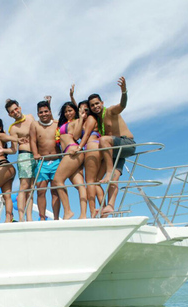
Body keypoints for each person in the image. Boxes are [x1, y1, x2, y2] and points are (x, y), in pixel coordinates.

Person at [88, 76, 135, 216]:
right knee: (107, 179)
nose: (96, 106)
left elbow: (122, 105)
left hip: (127, 144)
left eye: (97, 103)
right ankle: (109, 206)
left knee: (103, 141)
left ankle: (109, 171)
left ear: (102, 102)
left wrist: (124, 91)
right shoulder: (98, 121)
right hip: (115, 151)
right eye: (92, 105)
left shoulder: (110, 111)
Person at [70, 85, 105, 218]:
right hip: (90, 148)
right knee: (94, 181)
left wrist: (79, 147)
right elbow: (77, 135)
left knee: (89, 181)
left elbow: (85, 136)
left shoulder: (91, 119)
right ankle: (102, 210)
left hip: (92, 146)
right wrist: (72, 98)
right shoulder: (82, 121)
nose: (84, 111)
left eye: (86, 109)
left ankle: (93, 212)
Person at [53, 101, 87, 219]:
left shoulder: (77, 121)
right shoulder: (63, 123)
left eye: (70, 110)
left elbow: (76, 136)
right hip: (69, 152)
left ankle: (68, 211)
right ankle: (83, 214)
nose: (68, 113)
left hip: (72, 150)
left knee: (57, 180)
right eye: (66, 111)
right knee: (80, 185)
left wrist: (81, 118)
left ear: (75, 111)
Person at [29, 101, 61, 220]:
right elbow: (32, 140)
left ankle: (56, 218)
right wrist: (35, 153)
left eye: (46, 111)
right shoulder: (35, 125)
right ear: (38, 114)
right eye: (41, 112)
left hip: (56, 161)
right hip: (42, 162)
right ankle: (42, 217)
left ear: (50, 112)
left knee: (55, 192)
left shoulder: (57, 123)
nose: (44, 114)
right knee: (41, 191)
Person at [5, 99, 36, 222]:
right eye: (12, 112)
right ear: (9, 115)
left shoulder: (31, 117)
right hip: (24, 155)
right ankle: (21, 218)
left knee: (32, 188)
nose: (15, 112)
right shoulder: (13, 129)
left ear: (20, 107)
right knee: (24, 186)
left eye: (16, 109)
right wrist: (2, 150)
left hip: (36, 155)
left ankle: (29, 217)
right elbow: (13, 149)